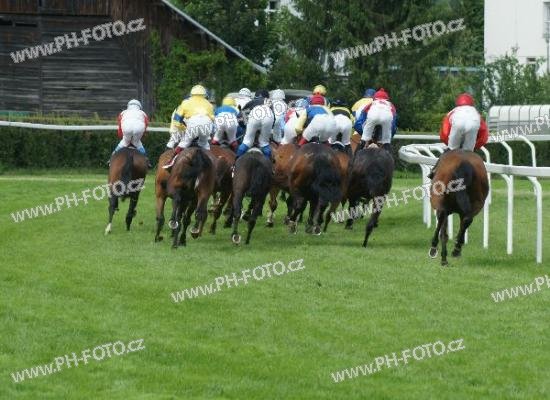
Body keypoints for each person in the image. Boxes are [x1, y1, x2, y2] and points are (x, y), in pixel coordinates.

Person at [428, 93, 489, 178]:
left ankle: (434, 171)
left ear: (457, 103)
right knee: (468, 153)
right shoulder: (477, 114)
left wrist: (450, 145)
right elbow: (484, 136)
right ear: (472, 104)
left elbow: (444, 133)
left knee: (450, 150)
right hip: (474, 124)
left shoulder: (452, 112)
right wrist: (475, 146)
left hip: (457, 124)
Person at [163, 84, 214, 169]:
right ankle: (212, 164)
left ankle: (170, 161)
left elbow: (176, 121)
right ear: (205, 95)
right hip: (207, 124)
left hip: (186, 128)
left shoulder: (185, 103)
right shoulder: (209, 104)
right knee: (205, 145)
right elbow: (212, 120)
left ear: (191, 95)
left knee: (181, 143)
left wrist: (184, 129)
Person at [236, 89, 275, 159]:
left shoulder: (252, 102)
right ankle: (268, 162)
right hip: (268, 117)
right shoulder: (270, 103)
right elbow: (274, 119)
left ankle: (236, 161)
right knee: (264, 143)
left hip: (254, 119)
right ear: (267, 97)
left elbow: (240, 117)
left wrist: (245, 126)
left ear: (255, 96)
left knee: (247, 141)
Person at [112, 99, 150, 166]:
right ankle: (146, 160)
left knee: (124, 142)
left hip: (126, 129)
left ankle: (112, 158)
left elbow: (120, 128)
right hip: (138, 129)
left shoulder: (123, 112)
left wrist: (122, 137)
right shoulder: (143, 113)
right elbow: (145, 127)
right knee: (138, 143)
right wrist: (140, 137)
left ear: (128, 106)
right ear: (139, 107)